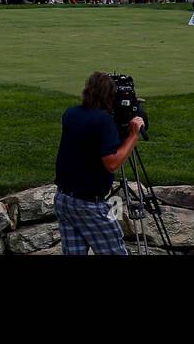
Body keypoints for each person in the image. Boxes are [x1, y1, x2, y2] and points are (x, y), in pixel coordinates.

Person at [54, 71, 144, 256]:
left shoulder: (70, 113)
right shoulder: (104, 122)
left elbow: (90, 140)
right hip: (89, 206)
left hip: (64, 200)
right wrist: (133, 135)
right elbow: (112, 164)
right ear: (110, 95)